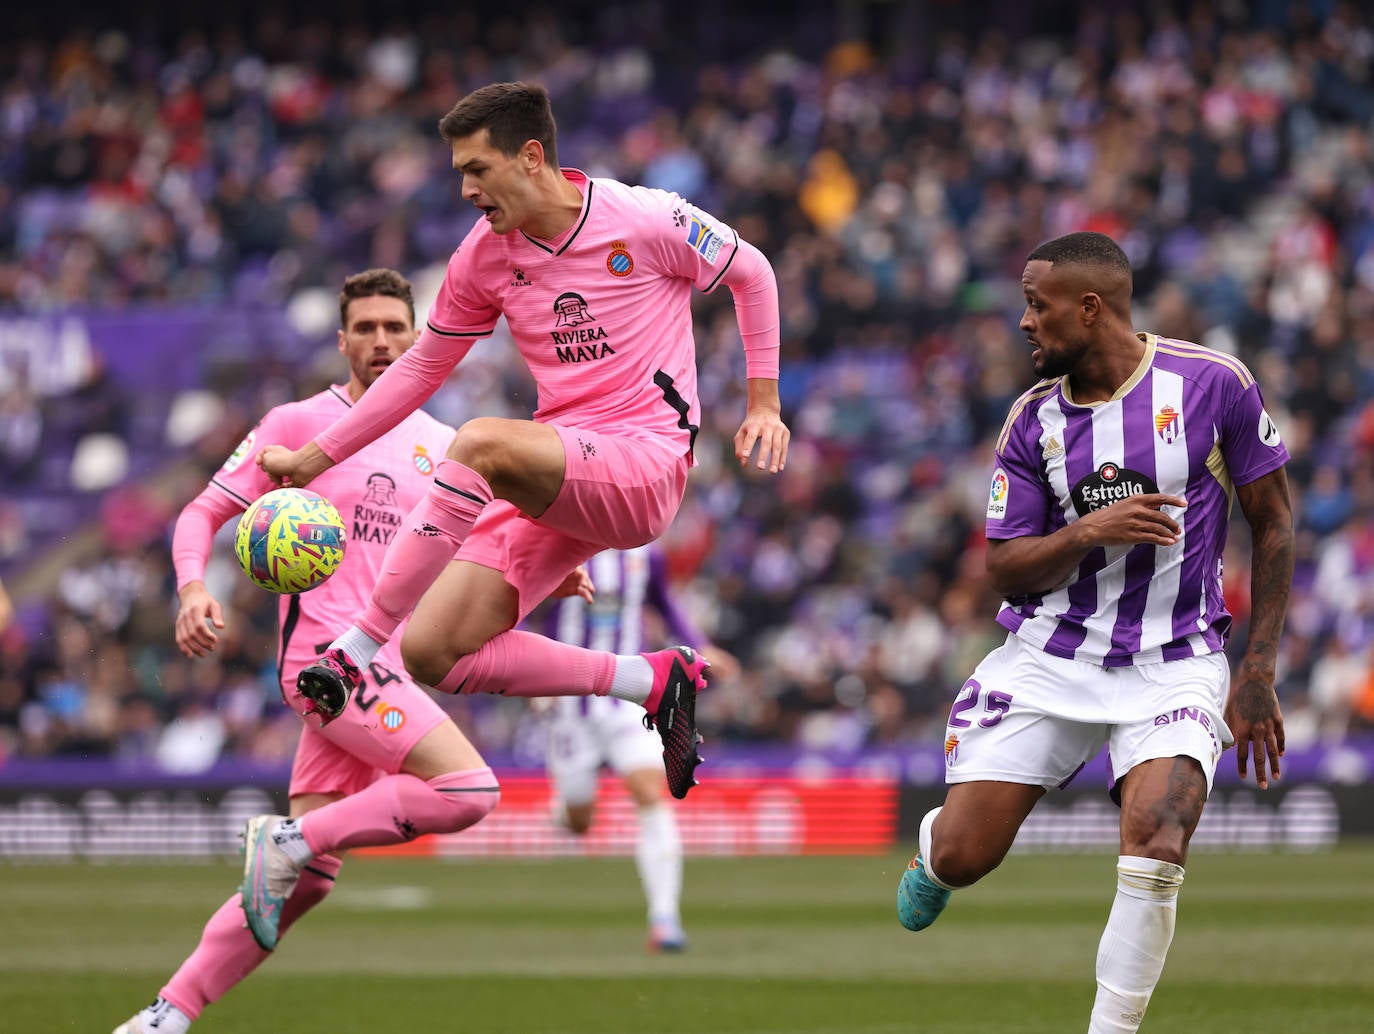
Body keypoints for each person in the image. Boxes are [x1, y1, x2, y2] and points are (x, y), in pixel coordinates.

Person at [253, 80, 788, 949]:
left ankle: (353, 648)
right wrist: (314, 459)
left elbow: (752, 272)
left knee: (480, 443)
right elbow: (420, 369)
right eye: (459, 172)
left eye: (477, 169)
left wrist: (761, 401)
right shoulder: (485, 255)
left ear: (530, 157)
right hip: (561, 470)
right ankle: (651, 679)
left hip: (645, 462)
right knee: (433, 653)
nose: (466, 190)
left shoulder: (643, 218)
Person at [895, 231, 1293, 1034]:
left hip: (1176, 660)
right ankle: (938, 846)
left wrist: (1257, 671)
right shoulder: (1032, 421)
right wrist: (1088, 531)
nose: (1023, 323)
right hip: (1051, 655)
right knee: (967, 858)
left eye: (1036, 306)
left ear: (1091, 308)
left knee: (1159, 835)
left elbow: (1275, 525)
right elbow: (1003, 570)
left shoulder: (1213, 385)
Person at [113, 270, 503, 1034]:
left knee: (305, 884)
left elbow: (478, 551)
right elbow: (201, 513)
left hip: (383, 666)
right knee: (467, 790)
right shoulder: (296, 425)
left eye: (396, 327)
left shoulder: (443, 445)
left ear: (419, 336)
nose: (382, 341)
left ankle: (165, 1015)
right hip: (327, 664)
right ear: (342, 340)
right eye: (366, 329)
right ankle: (284, 838)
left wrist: (559, 572)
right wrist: (193, 589)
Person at [534, 544, 740, 953]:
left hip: (631, 697)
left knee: (651, 793)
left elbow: (664, 603)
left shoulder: (649, 555)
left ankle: (665, 919)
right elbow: (522, 611)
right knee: (579, 820)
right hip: (570, 704)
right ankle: (564, 811)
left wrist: (701, 644)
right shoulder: (558, 543)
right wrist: (529, 676)